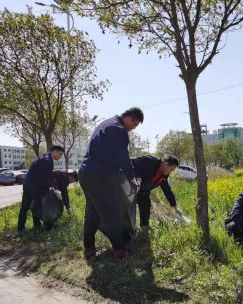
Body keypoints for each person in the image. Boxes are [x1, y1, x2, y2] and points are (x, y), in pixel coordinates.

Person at [79, 107, 143, 260]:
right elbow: (123, 157)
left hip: (86, 173)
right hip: (101, 176)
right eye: (134, 126)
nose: (132, 129)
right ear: (129, 118)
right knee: (111, 212)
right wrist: (132, 178)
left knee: (93, 212)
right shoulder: (118, 129)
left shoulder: (106, 124)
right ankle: (119, 250)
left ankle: (88, 247)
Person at [18, 145, 64, 231]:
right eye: (60, 154)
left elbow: (46, 175)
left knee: (32, 205)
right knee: (30, 206)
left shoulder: (44, 157)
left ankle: (32, 226)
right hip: (33, 186)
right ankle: (26, 228)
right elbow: (48, 176)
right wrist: (56, 189)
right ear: (55, 152)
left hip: (30, 184)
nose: (60, 157)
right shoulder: (47, 160)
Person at [131, 155, 182, 229]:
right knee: (127, 211)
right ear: (165, 164)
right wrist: (136, 178)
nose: (170, 172)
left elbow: (167, 190)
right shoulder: (149, 161)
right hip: (129, 187)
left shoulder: (163, 176)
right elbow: (130, 164)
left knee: (146, 205)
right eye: (171, 170)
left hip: (143, 192)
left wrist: (174, 206)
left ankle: (144, 227)